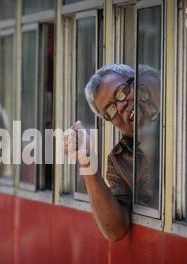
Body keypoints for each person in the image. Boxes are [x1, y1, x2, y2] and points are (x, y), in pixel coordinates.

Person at [64, 64, 160, 242]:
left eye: (121, 92)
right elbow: (115, 230)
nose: (121, 107)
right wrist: (87, 163)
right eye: (110, 110)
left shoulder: (174, 101)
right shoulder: (122, 160)